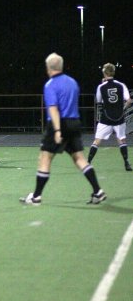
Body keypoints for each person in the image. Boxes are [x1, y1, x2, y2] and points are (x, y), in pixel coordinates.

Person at [20, 53, 106, 205]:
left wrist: (58, 130)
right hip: (74, 122)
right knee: (79, 158)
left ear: (48, 68)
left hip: (58, 124)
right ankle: (98, 191)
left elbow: (53, 109)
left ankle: (36, 197)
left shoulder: (50, 85)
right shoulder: (73, 82)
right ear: (61, 66)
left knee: (45, 158)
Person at [88, 63, 132, 171]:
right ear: (113, 72)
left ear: (104, 73)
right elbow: (129, 101)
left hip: (106, 118)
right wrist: (122, 109)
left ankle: (87, 163)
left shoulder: (101, 86)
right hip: (119, 117)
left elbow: (98, 101)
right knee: (122, 140)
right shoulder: (121, 85)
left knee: (97, 141)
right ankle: (126, 163)